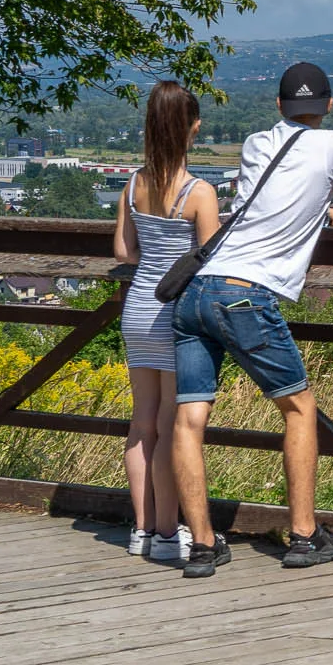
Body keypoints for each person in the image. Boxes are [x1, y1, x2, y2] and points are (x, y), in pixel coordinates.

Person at [170, 62, 333, 578]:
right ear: (330, 105)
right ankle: (304, 534)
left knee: (189, 417)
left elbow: (269, 201)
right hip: (247, 296)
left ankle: (202, 545)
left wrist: (321, 212)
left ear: (278, 107)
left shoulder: (255, 144)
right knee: (298, 410)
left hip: (196, 292)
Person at [112, 81, 219, 562]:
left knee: (142, 424)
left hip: (137, 308)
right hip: (176, 315)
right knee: (174, 427)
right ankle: (165, 532)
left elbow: (124, 251)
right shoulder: (199, 193)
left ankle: (139, 529)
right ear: (193, 128)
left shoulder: (133, 184)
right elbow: (212, 259)